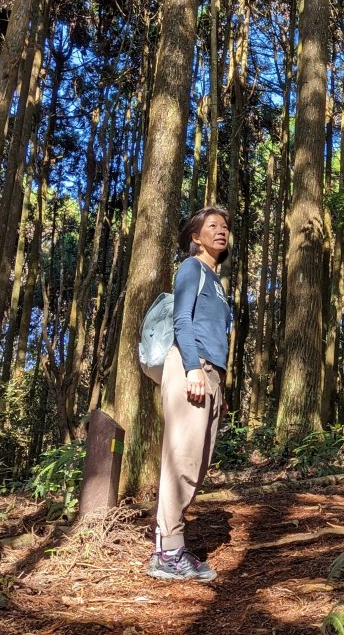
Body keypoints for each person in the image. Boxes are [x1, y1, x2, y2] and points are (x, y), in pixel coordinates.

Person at [147, 205, 232, 582]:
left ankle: (172, 547)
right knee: (181, 458)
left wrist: (219, 384)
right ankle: (167, 552)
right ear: (195, 237)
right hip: (188, 366)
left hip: (211, 374)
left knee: (198, 461)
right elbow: (182, 318)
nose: (221, 231)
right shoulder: (191, 268)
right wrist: (192, 367)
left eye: (225, 226)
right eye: (212, 226)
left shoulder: (217, 282)